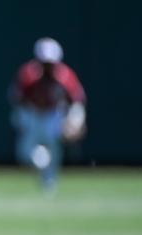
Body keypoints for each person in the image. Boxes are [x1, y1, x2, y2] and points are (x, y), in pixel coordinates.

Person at [10, 37, 87, 191]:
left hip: (54, 114)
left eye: (50, 63)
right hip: (32, 113)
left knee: (54, 149)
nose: (47, 67)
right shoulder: (28, 75)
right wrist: (21, 120)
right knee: (24, 153)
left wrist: (75, 121)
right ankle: (42, 165)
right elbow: (17, 100)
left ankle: (49, 184)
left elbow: (77, 100)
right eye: (44, 63)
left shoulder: (65, 76)